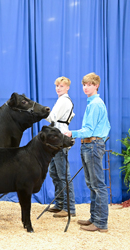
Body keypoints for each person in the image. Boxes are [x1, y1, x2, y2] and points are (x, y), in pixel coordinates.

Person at [65, 72, 111, 232]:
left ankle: (101, 223)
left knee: (98, 185)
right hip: (90, 145)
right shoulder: (92, 103)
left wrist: (72, 133)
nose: (86, 87)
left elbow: (89, 130)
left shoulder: (96, 104)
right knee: (92, 184)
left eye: (90, 84)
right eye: (84, 84)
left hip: (92, 144)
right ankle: (94, 218)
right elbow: (107, 126)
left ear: (96, 85)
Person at [45, 76, 76, 218]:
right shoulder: (62, 100)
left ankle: (69, 208)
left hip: (60, 139)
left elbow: (52, 117)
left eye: (61, 86)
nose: (58, 88)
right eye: (57, 86)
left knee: (63, 174)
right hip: (55, 139)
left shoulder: (63, 100)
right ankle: (60, 204)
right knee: (55, 173)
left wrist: (41, 112)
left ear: (67, 87)